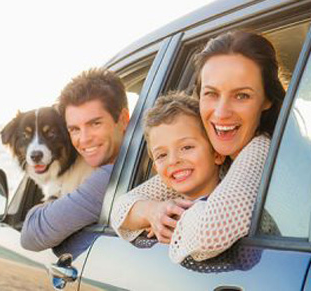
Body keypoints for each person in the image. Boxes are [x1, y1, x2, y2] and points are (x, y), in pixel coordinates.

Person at [112, 30, 285, 263]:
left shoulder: (260, 149)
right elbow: (120, 208)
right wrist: (154, 211)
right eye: (211, 93)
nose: (222, 113)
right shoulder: (209, 160)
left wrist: (174, 218)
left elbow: (208, 233)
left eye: (242, 96)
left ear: (267, 99)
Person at [20, 68, 129, 254]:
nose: (84, 139)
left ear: (123, 119)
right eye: (74, 129)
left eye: (95, 124)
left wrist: (54, 201)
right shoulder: (131, 163)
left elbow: (31, 235)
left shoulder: (111, 178)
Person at [113, 91, 225, 242]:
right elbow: (119, 210)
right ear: (156, 169)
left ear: (217, 153)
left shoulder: (233, 196)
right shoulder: (168, 198)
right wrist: (153, 213)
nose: (173, 161)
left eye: (186, 147)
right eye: (162, 155)